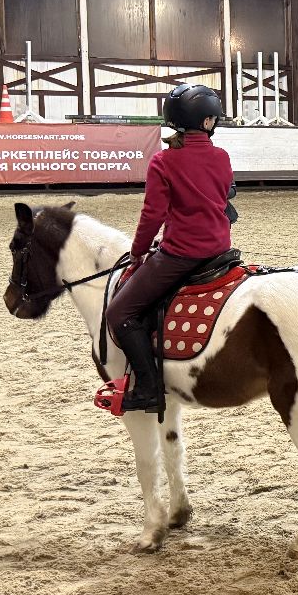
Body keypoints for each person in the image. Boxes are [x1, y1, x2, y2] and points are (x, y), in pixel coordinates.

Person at [101, 84, 233, 416]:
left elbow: (153, 215)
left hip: (182, 253)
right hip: (220, 249)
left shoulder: (164, 161)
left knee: (119, 313)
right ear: (206, 122)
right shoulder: (221, 157)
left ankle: (148, 390)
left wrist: (138, 251)